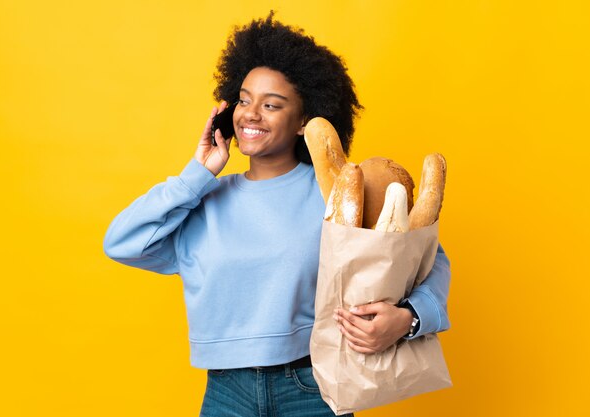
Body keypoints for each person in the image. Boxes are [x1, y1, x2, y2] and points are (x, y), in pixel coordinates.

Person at [103, 12, 450, 417]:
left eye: (271, 105)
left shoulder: (338, 191)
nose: (251, 114)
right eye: (245, 100)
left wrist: (409, 319)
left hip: (314, 387)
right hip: (225, 392)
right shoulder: (203, 201)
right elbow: (121, 241)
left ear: (305, 121)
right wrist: (197, 173)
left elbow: (427, 260)